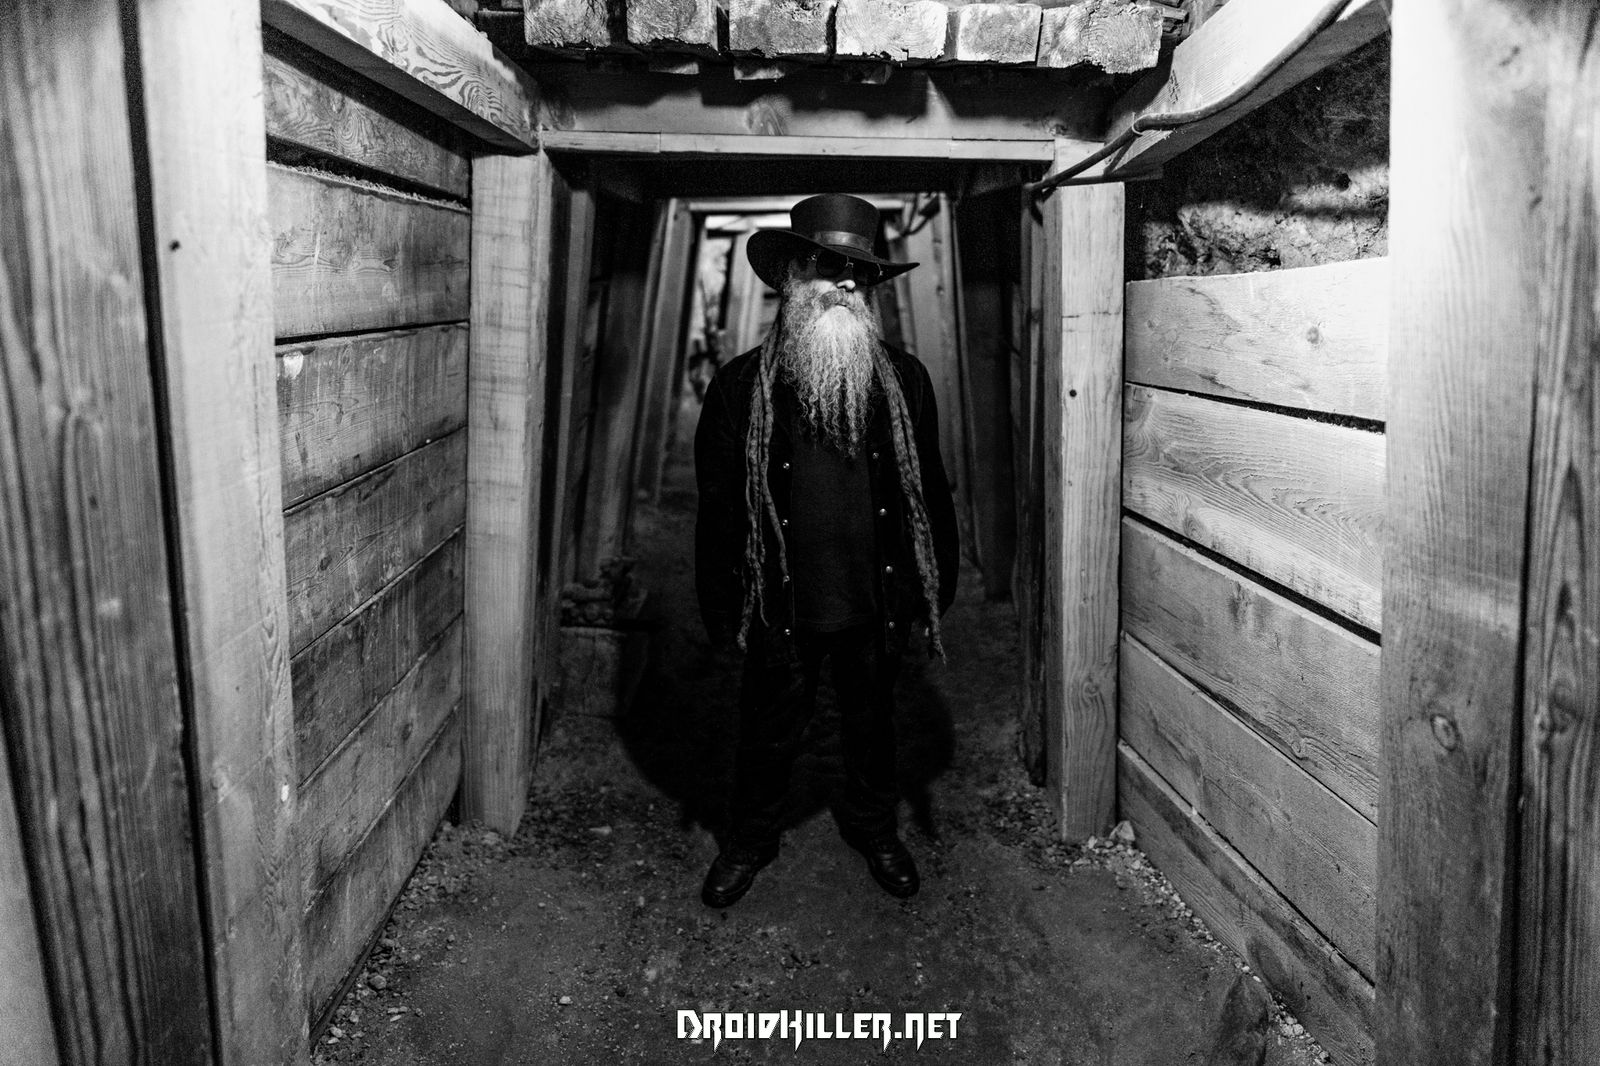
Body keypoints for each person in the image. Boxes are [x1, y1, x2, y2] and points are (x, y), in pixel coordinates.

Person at [693, 193, 959, 908]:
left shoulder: (904, 380)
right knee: (768, 727)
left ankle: (875, 829)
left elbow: (929, 490)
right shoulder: (740, 387)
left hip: (873, 595)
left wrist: (934, 586)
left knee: (873, 724)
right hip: (781, 601)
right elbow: (718, 509)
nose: (845, 283)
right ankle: (750, 839)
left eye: (859, 273)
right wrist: (720, 604)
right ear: (791, 278)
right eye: (826, 267)